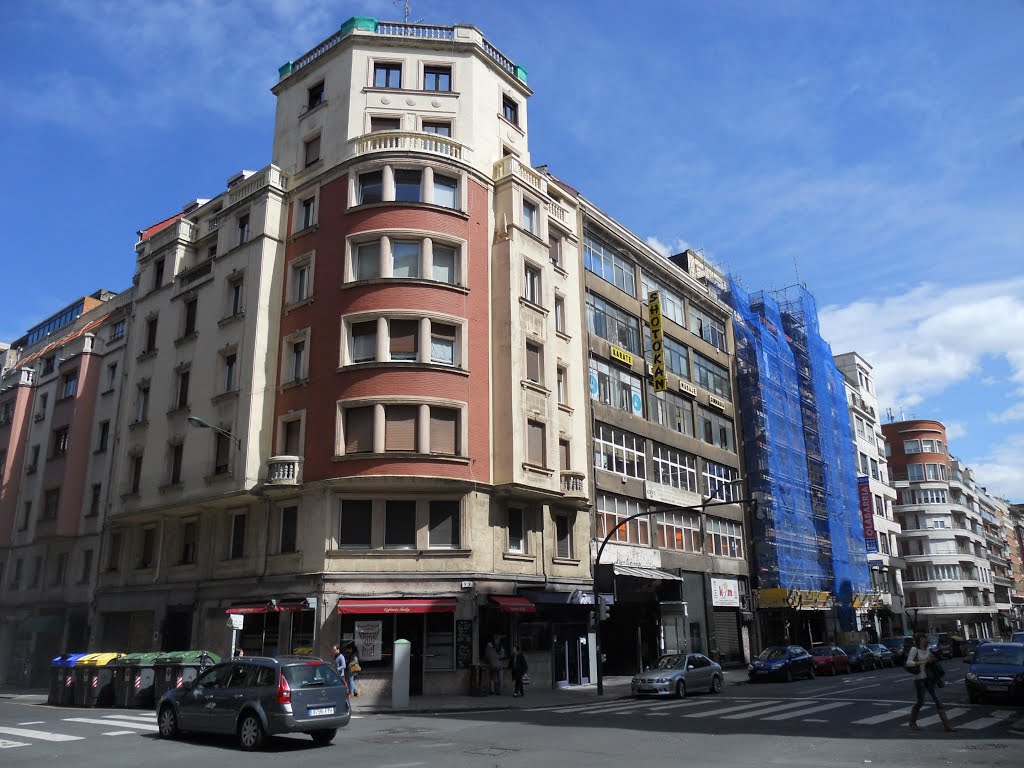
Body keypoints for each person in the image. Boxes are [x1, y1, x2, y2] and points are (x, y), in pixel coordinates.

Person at [906, 632, 953, 732]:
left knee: (937, 700)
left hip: (929, 679)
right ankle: (912, 722)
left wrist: (931, 660)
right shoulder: (915, 650)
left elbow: (932, 661)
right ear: (918, 640)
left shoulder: (927, 650)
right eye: (922, 638)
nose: (924, 640)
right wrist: (922, 662)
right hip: (919, 679)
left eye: (925, 638)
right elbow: (908, 663)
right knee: (920, 701)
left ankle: (947, 725)